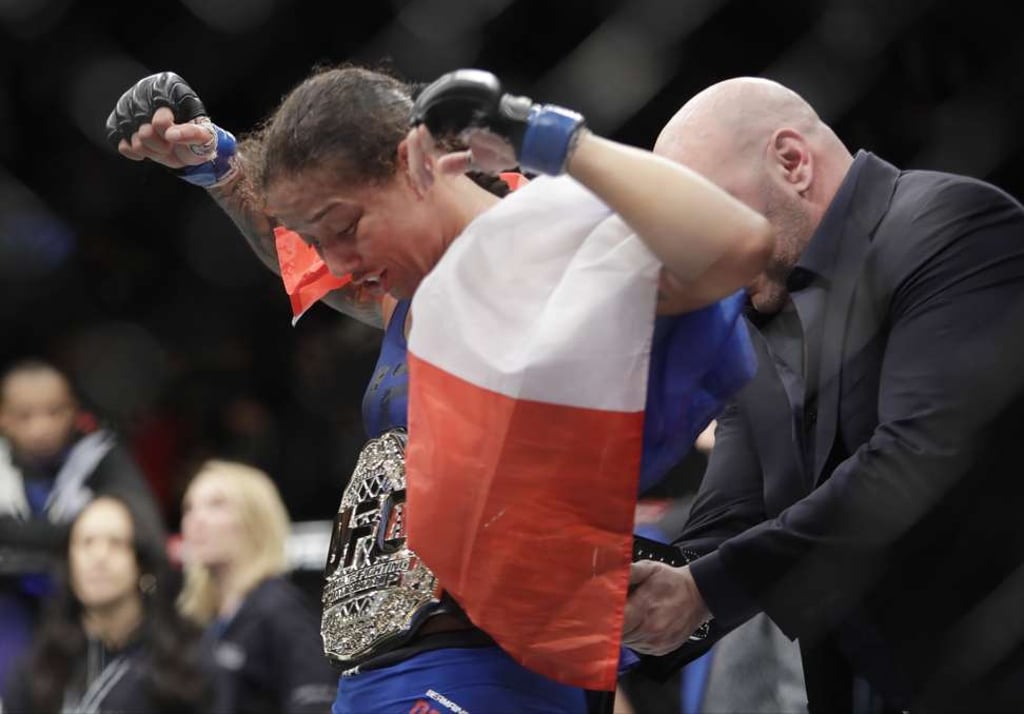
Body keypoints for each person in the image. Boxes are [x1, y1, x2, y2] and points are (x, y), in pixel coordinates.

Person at [106, 66, 771, 713]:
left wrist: (546, 135)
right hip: (376, 669)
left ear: (414, 164)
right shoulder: (415, 291)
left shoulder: (542, 248)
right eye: (319, 239)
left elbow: (736, 243)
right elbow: (311, 249)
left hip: (485, 661)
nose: (336, 260)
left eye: (345, 230)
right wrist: (221, 168)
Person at [621, 76, 1024, 713]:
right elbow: (731, 515)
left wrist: (702, 589)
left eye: (707, 213)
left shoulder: (951, 226)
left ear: (793, 163)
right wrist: (625, 596)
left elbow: (915, 460)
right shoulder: (757, 311)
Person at [0, 360, 164, 692]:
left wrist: (15, 534)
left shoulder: (98, 456)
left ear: (74, 410)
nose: (41, 427)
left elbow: (143, 527)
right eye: (25, 415)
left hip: (80, 611)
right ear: (3, 417)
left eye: (54, 412)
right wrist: (78, 529)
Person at [0, 495, 208, 713]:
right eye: (87, 543)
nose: (99, 557)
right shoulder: (40, 665)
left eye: (116, 543)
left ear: (141, 563)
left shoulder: (186, 659)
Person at [178, 459, 338, 714]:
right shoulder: (205, 619)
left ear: (255, 519)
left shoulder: (279, 609)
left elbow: (315, 701)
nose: (196, 520)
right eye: (189, 508)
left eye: (216, 504)